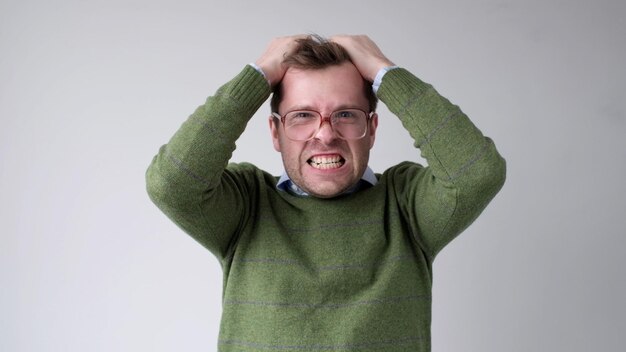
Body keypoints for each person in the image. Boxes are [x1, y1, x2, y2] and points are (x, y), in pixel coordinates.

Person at [146, 34, 506, 352]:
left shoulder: (406, 205)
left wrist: (385, 73)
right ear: (275, 132)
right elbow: (171, 185)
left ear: (372, 127)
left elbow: (477, 173)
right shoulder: (246, 205)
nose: (325, 134)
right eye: (302, 115)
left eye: (346, 114)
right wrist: (258, 76)